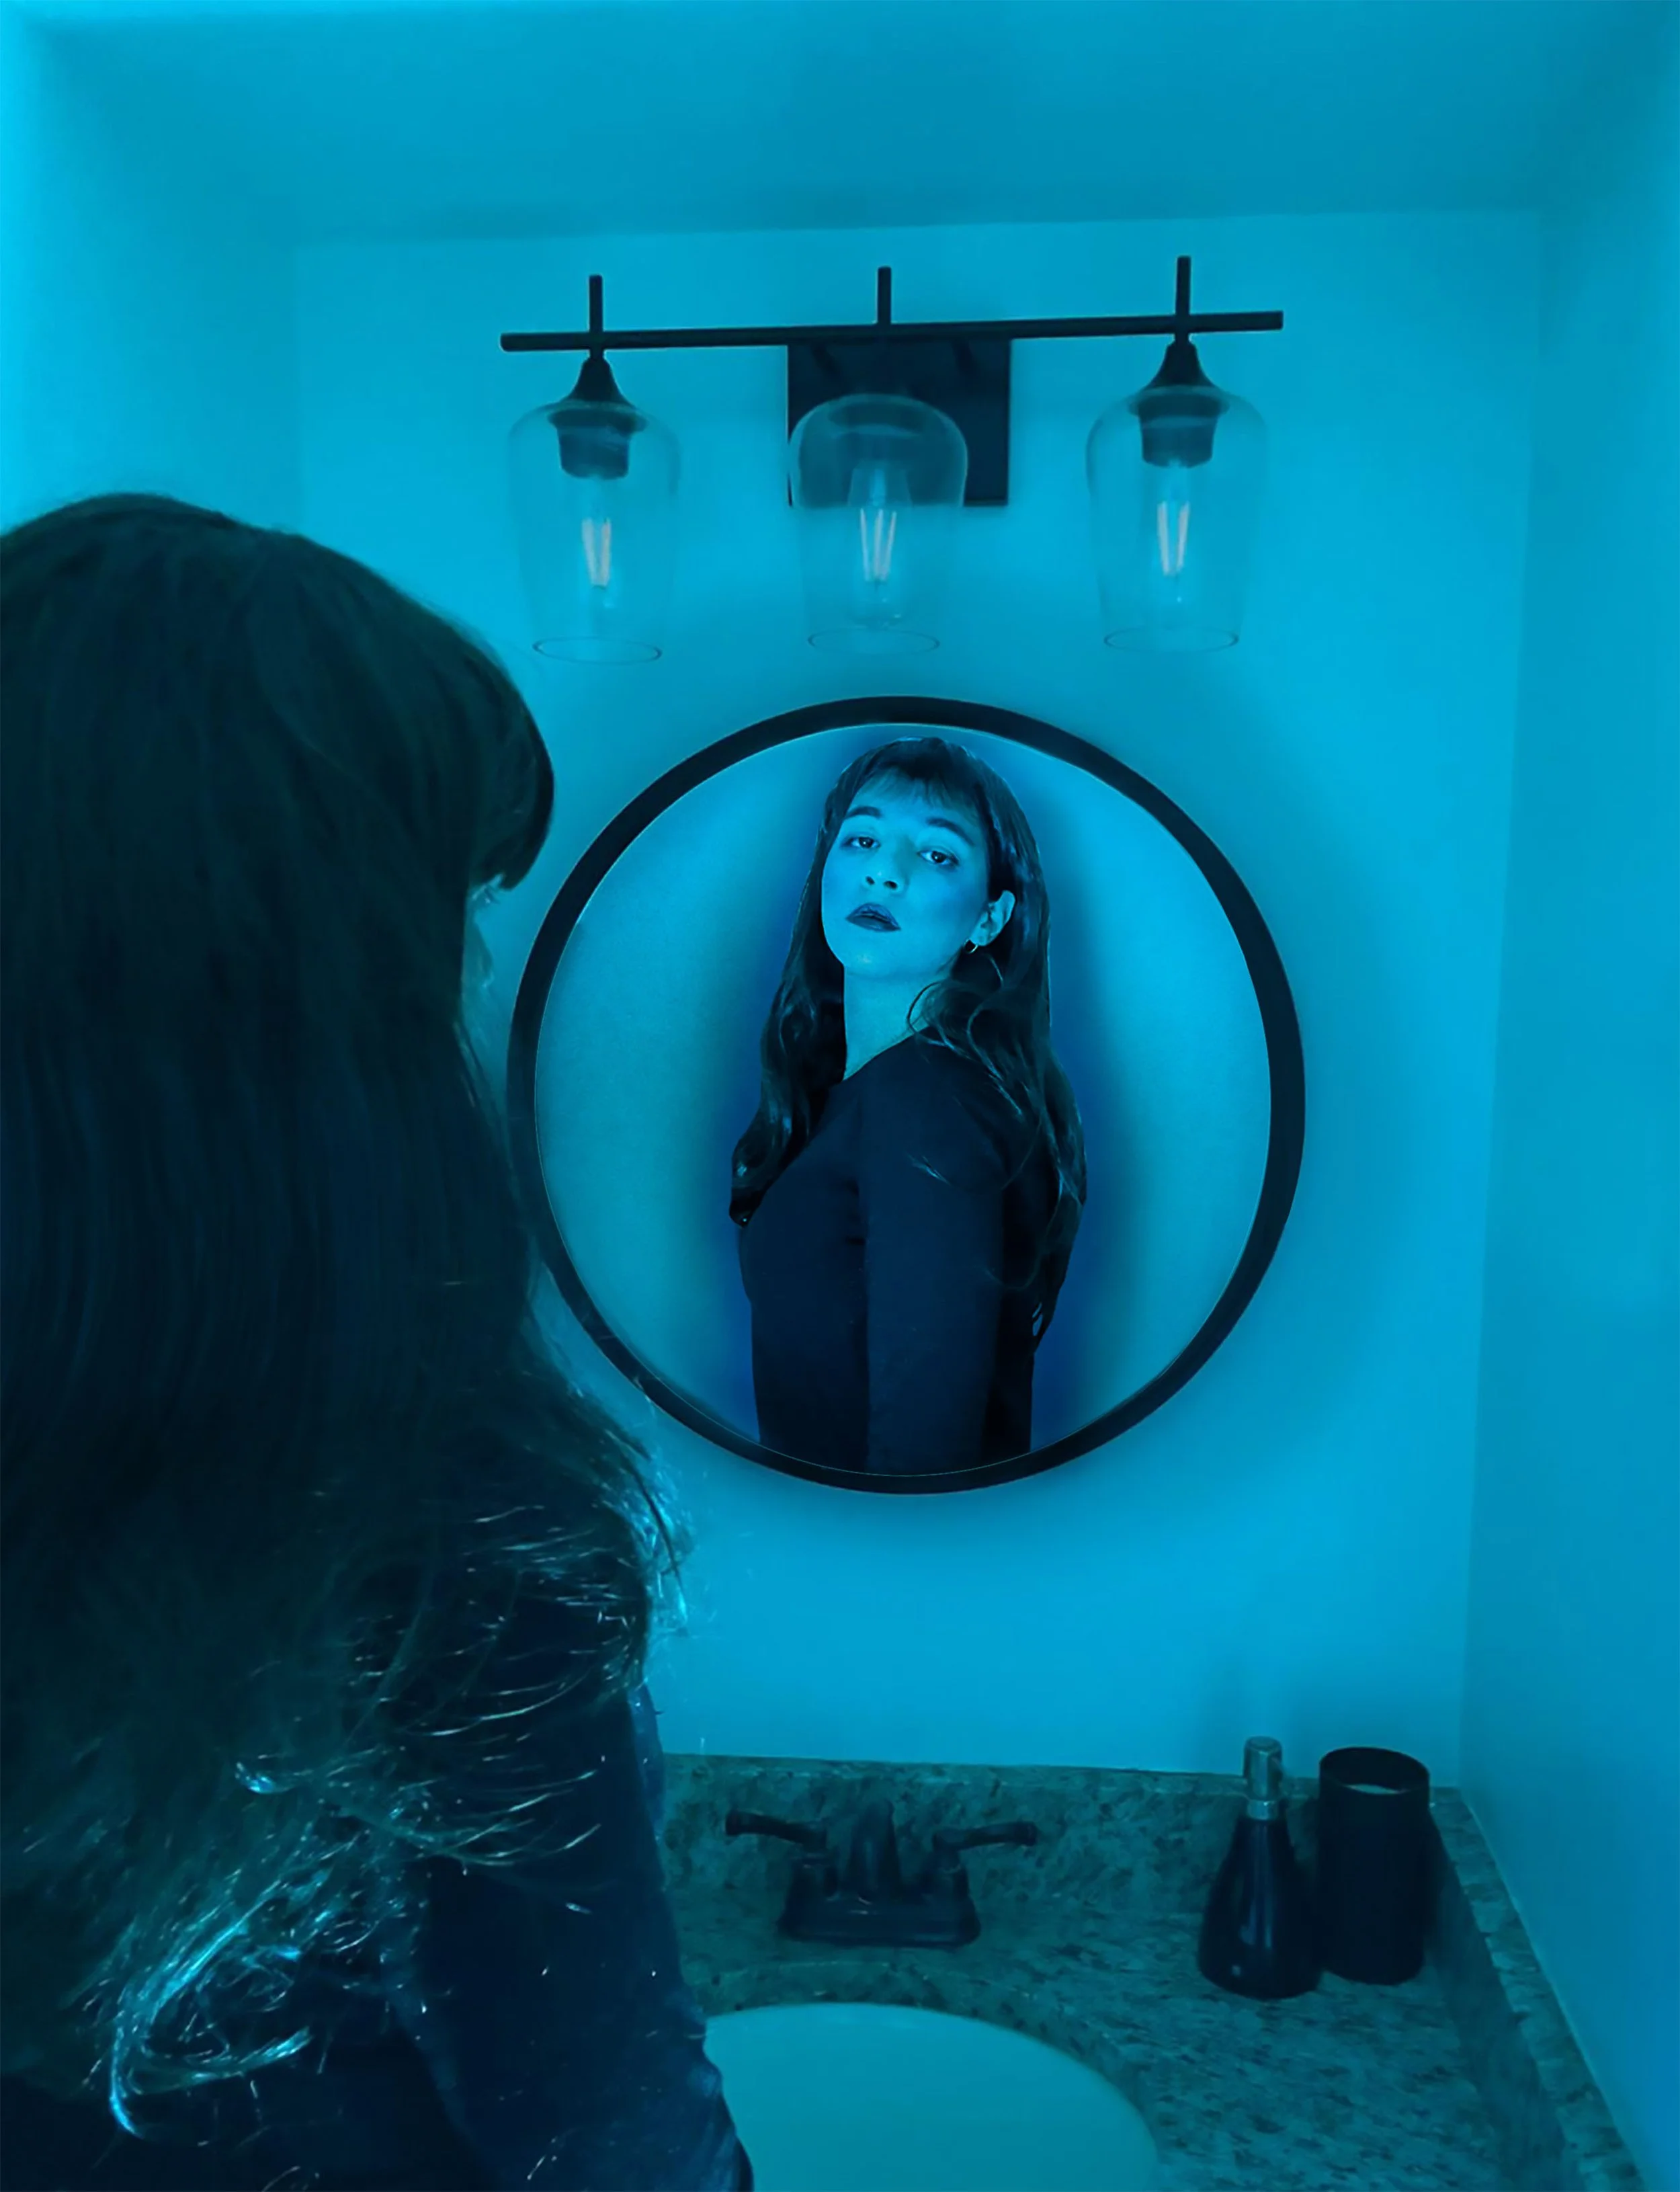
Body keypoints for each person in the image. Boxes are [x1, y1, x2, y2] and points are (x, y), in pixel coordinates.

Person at [0, 493, 752, 2192]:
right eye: (440, 919)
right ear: (314, 1005)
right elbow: (622, 2151)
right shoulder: (438, 1536)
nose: (471, 973)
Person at [730, 737, 1086, 1476]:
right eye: (861, 839)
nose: (882, 872)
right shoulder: (860, 1097)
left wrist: (868, 1588)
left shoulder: (924, 1101)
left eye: (936, 856)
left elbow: (926, 1451)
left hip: (882, 1573)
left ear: (988, 921)